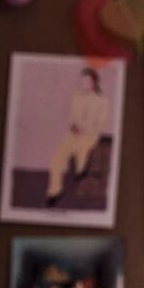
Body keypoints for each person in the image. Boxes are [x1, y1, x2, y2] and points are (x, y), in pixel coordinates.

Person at [45, 67, 109, 207]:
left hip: (90, 135)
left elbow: (100, 123)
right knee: (55, 160)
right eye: (83, 81)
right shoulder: (76, 96)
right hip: (73, 134)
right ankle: (55, 191)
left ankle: (81, 170)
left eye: (88, 81)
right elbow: (71, 117)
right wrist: (73, 126)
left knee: (82, 147)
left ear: (94, 82)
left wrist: (85, 129)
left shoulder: (101, 100)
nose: (85, 84)